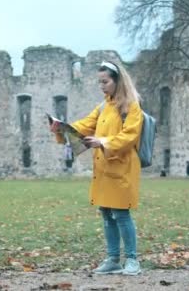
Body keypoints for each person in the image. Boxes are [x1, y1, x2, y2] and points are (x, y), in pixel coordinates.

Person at [50, 60, 143, 276]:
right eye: (99, 82)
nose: (102, 86)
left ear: (117, 80)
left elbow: (130, 135)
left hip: (122, 168)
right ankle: (112, 259)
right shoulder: (103, 106)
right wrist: (61, 127)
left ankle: (132, 260)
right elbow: (84, 125)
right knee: (106, 213)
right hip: (103, 170)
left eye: (106, 81)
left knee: (121, 213)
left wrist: (103, 142)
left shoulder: (131, 105)